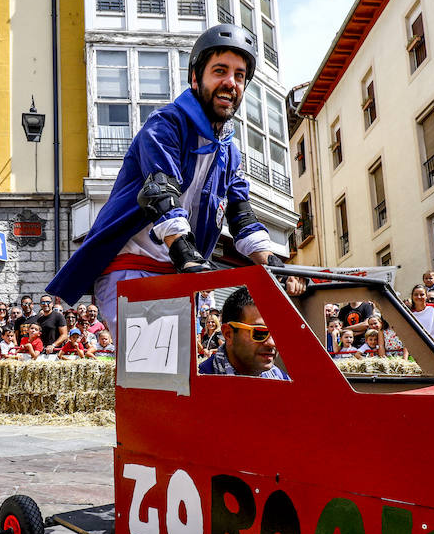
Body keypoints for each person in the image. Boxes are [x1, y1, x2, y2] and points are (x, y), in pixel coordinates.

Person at [47, 24, 285, 330]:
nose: (231, 83)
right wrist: (187, 255)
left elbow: (242, 216)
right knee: (156, 372)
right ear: (196, 78)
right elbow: (161, 194)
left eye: (239, 76)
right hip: (134, 265)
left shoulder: (230, 152)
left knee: (183, 375)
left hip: (180, 272)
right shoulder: (166, 124)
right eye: (220, 71)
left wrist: (273, 265)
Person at [198, 286, 288, 379]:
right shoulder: (198, 383)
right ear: (228, 334)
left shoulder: (281, 378)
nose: (272, 343)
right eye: (260, 332)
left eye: (278, 334)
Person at [406, 284, 434, 352]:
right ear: (412, 296)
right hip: (420, 350)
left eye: (422, 294)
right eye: (416, 294)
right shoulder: (409, 313)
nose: (419, 297)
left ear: (426, 296)